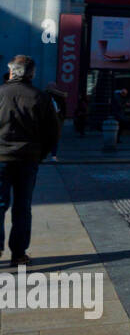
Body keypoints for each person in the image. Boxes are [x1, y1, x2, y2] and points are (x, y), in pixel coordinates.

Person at [0, 56, 61, 268]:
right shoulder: (40, 98)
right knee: (22, 207)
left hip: (1, 158)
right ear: (31, 74)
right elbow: (53, 132)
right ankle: (18, 254)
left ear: (11, 72)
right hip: (27, 160)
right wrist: (40, 154)